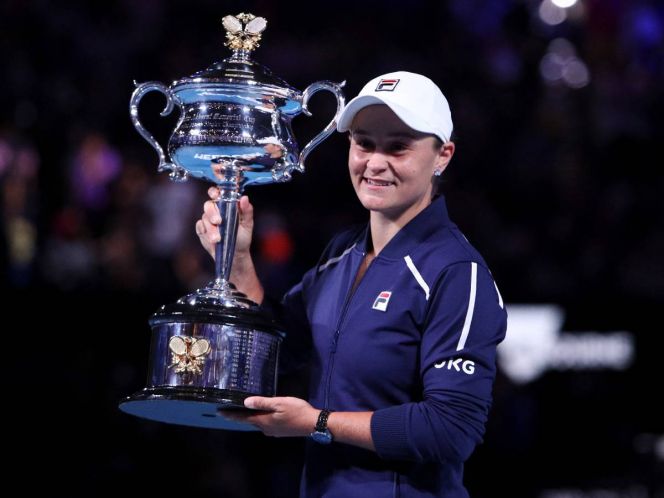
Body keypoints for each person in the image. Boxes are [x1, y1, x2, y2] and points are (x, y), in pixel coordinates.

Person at [195, 71, 507, 498]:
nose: (374, 163)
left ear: (443, 156)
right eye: (364, 143)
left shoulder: (456, 272)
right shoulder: (342, 252)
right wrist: (237, 259)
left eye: (397, 146)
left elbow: (452, 428)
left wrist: (317, 422)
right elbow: (279, 350)